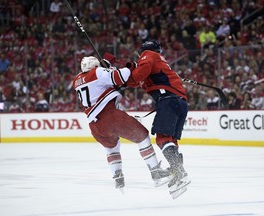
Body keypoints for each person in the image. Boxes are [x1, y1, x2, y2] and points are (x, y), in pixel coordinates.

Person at [72, 56, 171, 192]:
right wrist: (119, 68)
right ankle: (156, 172)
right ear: (95, 66)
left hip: (95, 126)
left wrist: (107, 68)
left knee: (111, 148)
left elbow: (103, 84)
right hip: (110, 116)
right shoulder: (98, 72)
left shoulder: (76, 80)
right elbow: (122, 75)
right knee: (142, 137)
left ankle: (118, 178)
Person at [125, 39, 191, 198]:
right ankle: (177, 173)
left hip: (169, 100)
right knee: (171, 140)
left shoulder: (149, 55)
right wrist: (131, 69)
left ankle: (180, 172)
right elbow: (141, 81)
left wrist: (122, 74)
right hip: (180, 103)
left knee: (162, 139)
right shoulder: (159, 61)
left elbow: (136, 77)